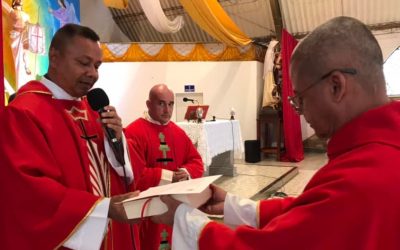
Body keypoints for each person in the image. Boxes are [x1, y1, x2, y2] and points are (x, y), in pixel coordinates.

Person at [152, 16, 400, 249]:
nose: (300, 112)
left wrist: (183, 218)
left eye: (300, 99)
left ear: (336, 86)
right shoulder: (381, 150)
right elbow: (313, 212)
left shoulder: (357, 182)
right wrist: (233, 206)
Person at [0, 24, 141, 249]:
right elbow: (28, 192)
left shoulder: (94, 109)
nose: (93, 73)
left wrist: (117, 142)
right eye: (83, 63)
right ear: (54, 57)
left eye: (97, 66)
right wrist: (103, 208)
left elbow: (120, 173)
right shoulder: (24, 112)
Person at [125, 84, 204, 250]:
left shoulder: (178, 132)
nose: (167, 110)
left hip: (175, 205)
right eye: (161, 103)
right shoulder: (133, 132)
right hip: (148, 209)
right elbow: (134, 175)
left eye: (171, 104)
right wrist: (169, 177)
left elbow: (196, 161)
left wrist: (185, 172)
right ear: (148, 104)